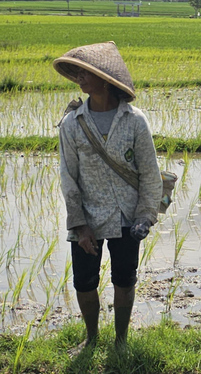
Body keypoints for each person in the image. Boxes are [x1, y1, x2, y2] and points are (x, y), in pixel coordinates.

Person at [54, 41, 162, 351]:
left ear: (105, 79)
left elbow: (149, 173)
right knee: (84, 281)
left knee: (124, 279)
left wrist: (145, 216)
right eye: (78, 73)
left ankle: (121, 341)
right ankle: (92, 338)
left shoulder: (134, 120)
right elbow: (68, 177)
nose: (80, 78)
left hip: (127, 215)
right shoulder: (73, 124)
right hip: (88, 215)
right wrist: (78, 223)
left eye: (86, 72)